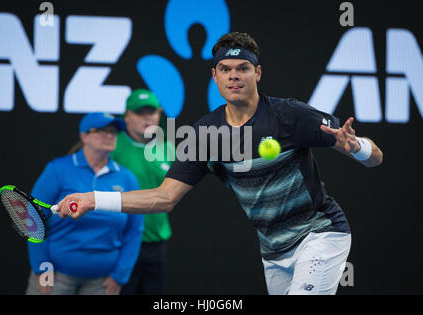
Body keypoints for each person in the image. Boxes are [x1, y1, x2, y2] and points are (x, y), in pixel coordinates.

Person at [56, 32, 383, 295]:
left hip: (321, 234)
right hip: (274, 252)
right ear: (215, 76)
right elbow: (163, 198)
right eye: (225, 69)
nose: (234, 76)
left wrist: (358, 148)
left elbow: (375, 158)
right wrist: (92, 199)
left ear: (257, 73)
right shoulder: (205, 135)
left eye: (242, 69)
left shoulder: (290, 115)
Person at [26, 112, 143, 295]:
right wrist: (42, 268)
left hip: (102, 282)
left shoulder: (127, 178)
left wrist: (120, 275)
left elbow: (135, 231)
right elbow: (32, 219)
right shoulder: (58, 169)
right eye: (101, 131)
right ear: (84, 136)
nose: (109, 135)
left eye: (113, 131)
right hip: (55, 277)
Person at [112, 89, 175, 295]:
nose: (147, 118)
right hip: (119, 243)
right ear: (127, 116)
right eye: (140, 113)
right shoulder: (111, 145)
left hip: (156, 245)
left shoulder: (168, 148)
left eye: (152, 112)